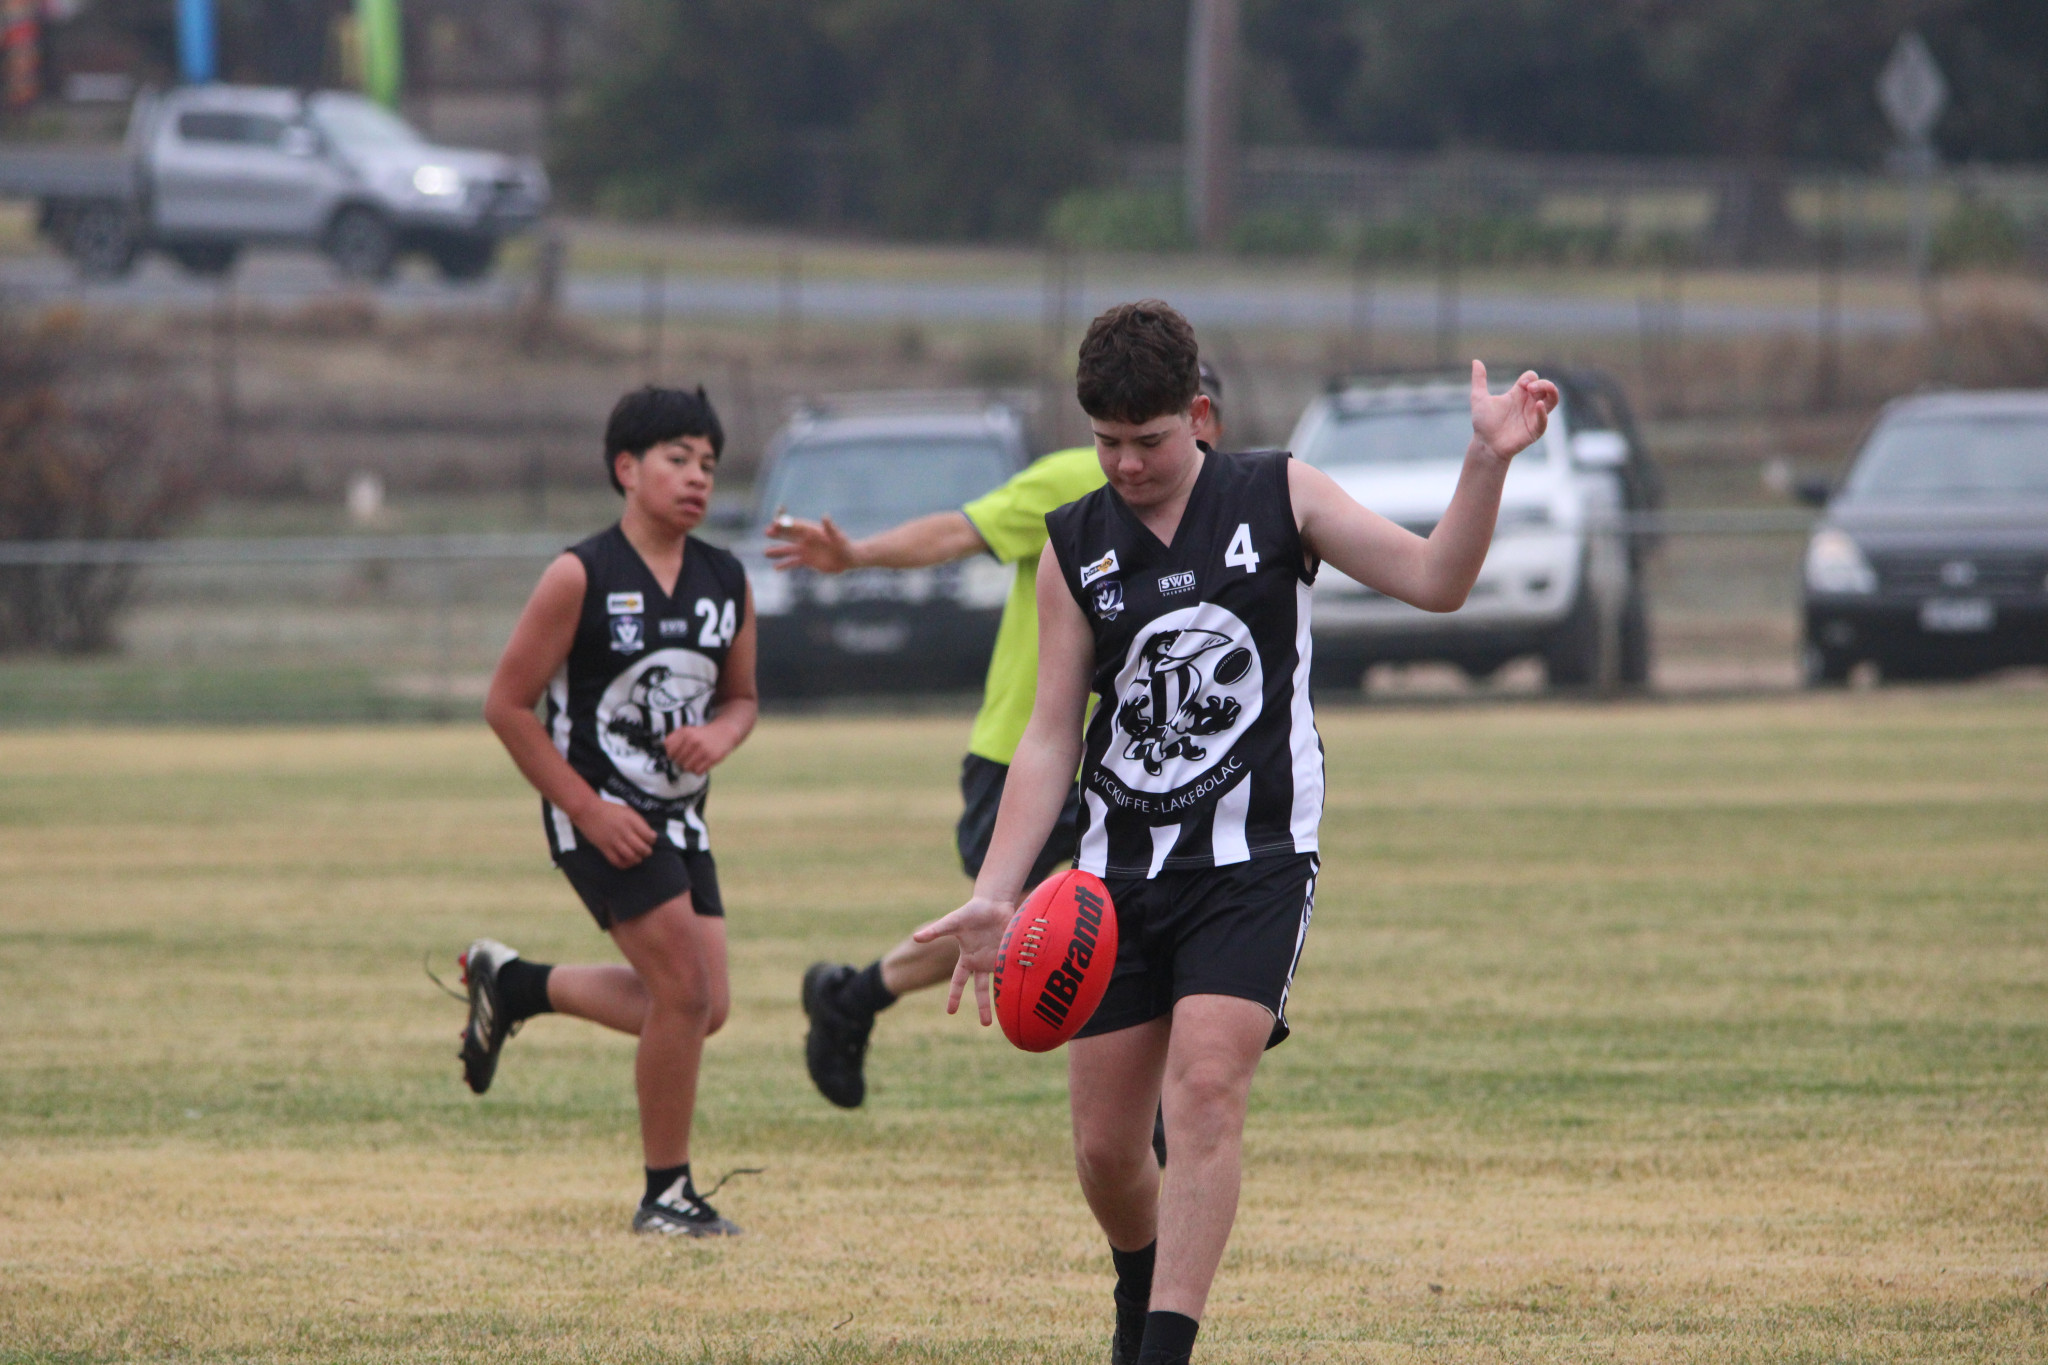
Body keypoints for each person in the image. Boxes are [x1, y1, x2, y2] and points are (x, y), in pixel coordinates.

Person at [914, 301, 1557, 1364]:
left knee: (1206, 1089)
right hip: (1112, 877)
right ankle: (1139, 1284)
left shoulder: (1275, 494)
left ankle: (1165, 1344)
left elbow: (1437, 580)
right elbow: (1046, 739)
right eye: (1105, 442)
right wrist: (996, 889)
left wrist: (1484, 461)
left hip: (1252, 860)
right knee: (1106, 1152)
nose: (1124, 464)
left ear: (1197, 415)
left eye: (1148, 440)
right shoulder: (1072, 545)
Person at [775, 367, 1224, 1116]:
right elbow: (960, 529)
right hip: (1022, 753)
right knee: (1044, 920)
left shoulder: (1218, 506)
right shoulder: (1074, 481)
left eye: (1170, 431)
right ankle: (855, 998)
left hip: (1133, 764)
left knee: (1089, 918)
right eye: (1127, 433)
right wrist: (855, 556)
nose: (1140, 455)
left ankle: (852, 996)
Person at [461, 385, 758, 1237]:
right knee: (685, 991)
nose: (697, 477)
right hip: (600, 814)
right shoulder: (580, 574)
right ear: (626, 469)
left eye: (708, 463)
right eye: (677, 459)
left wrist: (720, 737)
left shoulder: (725, 579)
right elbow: (507, 706)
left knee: (707, 1005)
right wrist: (587, 811)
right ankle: (666, 1192)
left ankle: (515, 984)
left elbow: (742, 699)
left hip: (679, 818)